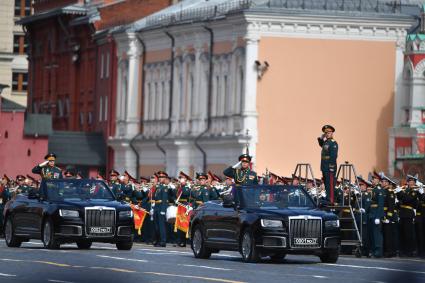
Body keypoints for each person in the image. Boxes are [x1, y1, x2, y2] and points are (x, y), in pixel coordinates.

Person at [396, 175, 419, 257]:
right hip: (402, 213)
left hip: (408, 214)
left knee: (408, 234)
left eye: (412, 181)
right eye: (409, 181)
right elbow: (401, 199)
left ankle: (410, 251)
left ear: (414, 182)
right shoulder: (406, 189)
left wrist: (400, 192)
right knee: (401, 234)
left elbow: (407, 199)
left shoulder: (414, 191)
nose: (410, 182)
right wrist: (398, 194)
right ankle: (402, 251)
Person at [317, 125, 338, 203]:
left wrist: (331, 166)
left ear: (332, 133)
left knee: (330, 184)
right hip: (324, 166)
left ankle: (331, 199)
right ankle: (328, 198)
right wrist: (321, 138)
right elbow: (321, 144)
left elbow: (333, 156)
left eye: (329, 132)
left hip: (330, 167)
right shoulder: (326, 142)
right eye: (326, 133)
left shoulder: (333, 143)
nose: (327, 134)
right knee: (326, 183)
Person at [379, 173, 397, 258]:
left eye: (384, 181)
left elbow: (391, 206)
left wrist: (389, 217)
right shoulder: (382, 191)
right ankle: (385, 250)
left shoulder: (390, 192)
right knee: (383, 234)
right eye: (382, 181)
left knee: (388, 234)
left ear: (387, 183)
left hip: (387, 215)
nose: (382, 183)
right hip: (382, 214)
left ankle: (390, 252)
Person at [368, 173, 385, 258]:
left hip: (376, 215)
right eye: (373, 179)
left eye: (374, 179)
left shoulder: (379, 189)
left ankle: (378, 251)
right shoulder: (374, 189)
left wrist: (378, 217)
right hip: (372, 214)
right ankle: (374, 250)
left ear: (378, 180)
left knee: (377, 234)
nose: (373, 180)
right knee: (372, 234)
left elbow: (380, 204)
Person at [153, 171, 169, 247]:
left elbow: (164, 200)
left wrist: (163, 210)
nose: (160, 178)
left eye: (162, 177)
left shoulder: (164, 188)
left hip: (161, 208)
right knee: (156, 226)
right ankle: (157, 240)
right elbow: (155, 198)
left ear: (165, 178)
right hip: (156, 207)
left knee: (161, 226)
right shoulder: (158, 187)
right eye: (159, 177)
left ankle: (163, 241)